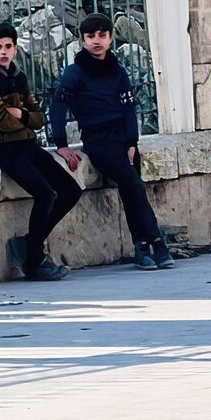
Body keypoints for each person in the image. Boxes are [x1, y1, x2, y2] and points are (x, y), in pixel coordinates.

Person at [51, 14, 172, 271]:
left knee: (132, 191)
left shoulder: (118, 72)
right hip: (97, 141)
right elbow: (57, 104)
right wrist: (60, 142)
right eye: (91, 36)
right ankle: (157, 242)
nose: (97, 41)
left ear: (110, 38)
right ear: (82, 40)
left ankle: (141, 248)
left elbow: (129, 108)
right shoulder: (75, 72)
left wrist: (132, 142)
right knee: (134, 185)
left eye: (102, 35)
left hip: (123, 141)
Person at [0, 22, 79, 281]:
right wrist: (25, 118)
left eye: (8, 46)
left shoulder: (18, 77)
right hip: (3, 149)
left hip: (27, 145)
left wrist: (22, 114)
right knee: (45, 194)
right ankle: (34, 259)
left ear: (15, 49)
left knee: (71, 191)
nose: (3, 52)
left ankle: (29, 245)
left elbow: (39, 118)